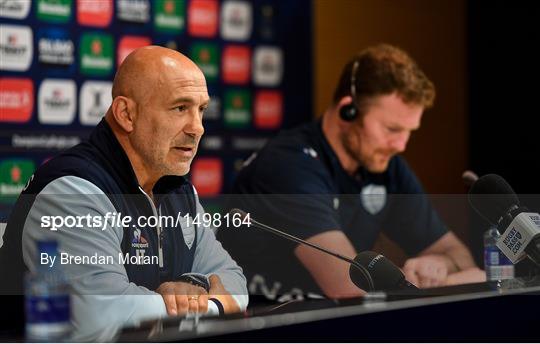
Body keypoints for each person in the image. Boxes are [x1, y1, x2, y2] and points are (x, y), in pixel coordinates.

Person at [0, 46, 247, 341]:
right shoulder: (72, 190)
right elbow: (97, 316)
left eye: (201, 110)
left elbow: (234, 282)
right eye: (180, 108)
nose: (197, 128)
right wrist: (206, 306)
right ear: (126, 114)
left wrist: (190, 290)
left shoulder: (179, 189)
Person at [218, 44, 484, 301]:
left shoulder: (385, 165)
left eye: (409, 132)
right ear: (349, 110)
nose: (401, 145)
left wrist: (438, 264)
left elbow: (464, 260)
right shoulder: (286, 166)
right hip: (262, 324)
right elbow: (349, 288)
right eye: (392, 130)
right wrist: (437, 284)